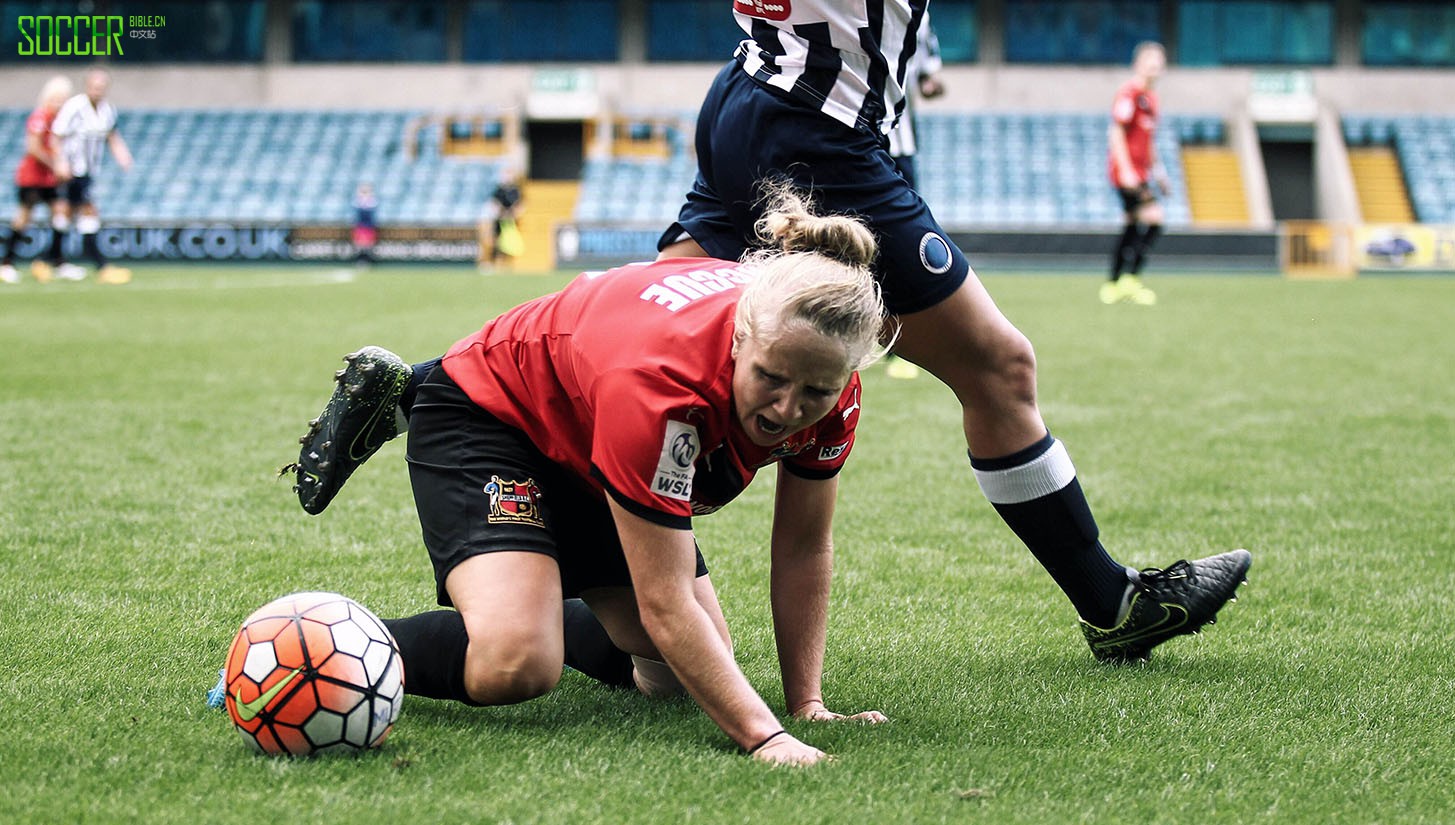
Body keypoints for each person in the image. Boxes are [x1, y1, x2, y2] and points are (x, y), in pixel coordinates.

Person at [655, 4, 1248, 662]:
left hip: (751, 92)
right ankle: (1112, 604)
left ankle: (565, 544)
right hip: (815, 129)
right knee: (998, 367)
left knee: (655, 337)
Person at [286, 186, 888, 765]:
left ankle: (541, 599)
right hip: (495, 413)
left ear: (847, 375)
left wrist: (806, 705)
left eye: (815, 391)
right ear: (738, 338)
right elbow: (665, 600)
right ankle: (315, 647)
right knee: (517, 660)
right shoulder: (663, 389)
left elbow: (803, 545)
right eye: (770, 379)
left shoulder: (832, 389)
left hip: (593, 438)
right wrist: (765, 739)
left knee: (684, 672)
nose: (787, 410)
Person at [883, 11, 945, 380]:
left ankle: (900, 348)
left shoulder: (920, 19)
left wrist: (933, 86)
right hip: (853, 136)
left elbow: (928, 81)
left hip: (899, 142)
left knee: (902, 244)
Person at [51, 67, 133, 285]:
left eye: (101, 87)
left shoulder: (107, 110)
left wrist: (123, 156)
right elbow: (56, 135)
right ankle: (101, 266)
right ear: (87, 86)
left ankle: (52, 260)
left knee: (67, 214)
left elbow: (112, 136)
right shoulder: (74, 107)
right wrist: (60, 162)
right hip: (72, 169)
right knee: (87, 212)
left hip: (89, 170)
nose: (98, 90)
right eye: (94, 86)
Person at [1103, 41, 1167, 306]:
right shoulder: (1129, 93)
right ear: (1138, 63)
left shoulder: (1151, 99)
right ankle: (1130, 278)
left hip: (1142, 172)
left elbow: (1149, 140)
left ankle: (1114, 283)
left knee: (1131, 224)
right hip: (1127, 173)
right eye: (1149, 60)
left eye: (1158, 61)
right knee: (1154, 219)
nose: (1154, 66)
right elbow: (1116, 132)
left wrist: (1160, 172)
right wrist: (1127, 170)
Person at [0, 75, 74, 285]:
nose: (59, 103)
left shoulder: (60, 122)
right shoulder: (40, 117)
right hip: (32, 177)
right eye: (57, 98)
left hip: (50, 179)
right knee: (23, 218)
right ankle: (6, 264)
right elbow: (33, 148)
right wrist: (56, 165)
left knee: (61, 213)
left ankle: (58, 262)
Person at [479, 166, 524, 271]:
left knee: (509, 243)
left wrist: (512, 214)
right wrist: (501, 213)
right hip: (499, 221)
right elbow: (494, 204)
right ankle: (491, 262)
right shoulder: (499, 190)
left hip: (511, 222)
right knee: (495, 242)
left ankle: (506, 264)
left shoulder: (516, 190)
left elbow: (520, 205)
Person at [351, 182, 379, 267]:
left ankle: (367, 261)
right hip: (360, 227)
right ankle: (360, 261)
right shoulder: (357, 202)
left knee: (368, 246)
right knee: (360, 245)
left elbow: (371, 215)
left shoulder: (372, 202)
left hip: (369, 228)